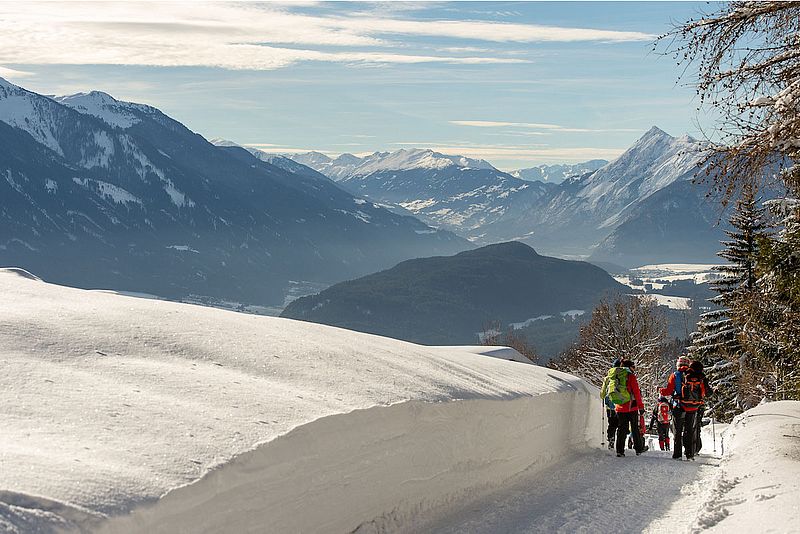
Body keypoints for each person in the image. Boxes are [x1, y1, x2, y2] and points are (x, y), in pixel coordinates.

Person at [660, 355, 707, 460]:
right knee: (689, 430)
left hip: (679, 406)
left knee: (677, 430)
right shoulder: (695, 375)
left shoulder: (675, 375)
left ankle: (677, 454)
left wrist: (661, 391)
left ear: (678, 365)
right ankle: (689, 454)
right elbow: (702, 392)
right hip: (693, 407)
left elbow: (668, 391)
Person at [614, 359, 648, 457]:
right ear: (629, 367)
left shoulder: (616, 375)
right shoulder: (631, 376)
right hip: (631, 407)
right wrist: (641, 407)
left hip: (620, 407)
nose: (634, 369)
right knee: (635, 429)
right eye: (633, 367)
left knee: (621, 429)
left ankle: (619, 451)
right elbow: (636, 392)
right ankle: (638, 449)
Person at [689, 360, 714, 455]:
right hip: (699, 405)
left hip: (687, 404)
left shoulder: (687, 376)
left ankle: (689, 446)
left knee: (689, 425)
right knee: (697, 426)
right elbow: (708, 393)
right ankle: (696, 448)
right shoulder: (702, 378)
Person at [600, 359, 621, 450]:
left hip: (610, 406)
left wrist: (604, 397)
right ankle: (620, 443)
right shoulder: (623, 377)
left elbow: (602, 394)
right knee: (619, 425)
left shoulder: (608, 378)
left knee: (611, 424)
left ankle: (611, 439)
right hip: (620, 405)